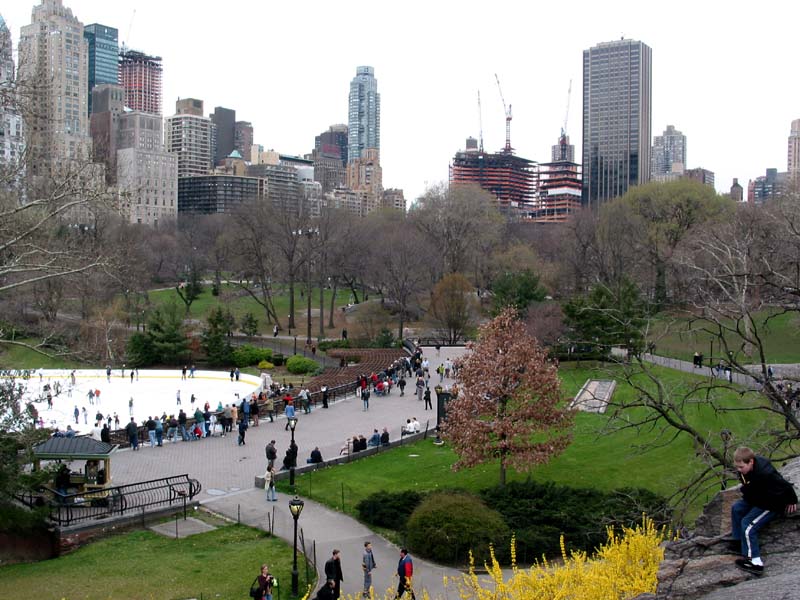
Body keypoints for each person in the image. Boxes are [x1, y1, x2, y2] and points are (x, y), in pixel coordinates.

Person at [729, 446, 797, 575]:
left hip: (771, 504)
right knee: (736, 509)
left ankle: (755, 562)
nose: (738, 470)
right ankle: (739, 542)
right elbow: (748, 484)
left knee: (747, 525)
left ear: (751, 462)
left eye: (741, 467)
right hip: (757, 497)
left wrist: (792, 500)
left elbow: (785, 485)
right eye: (737, 467)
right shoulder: (745, 469)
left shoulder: (766, 473)